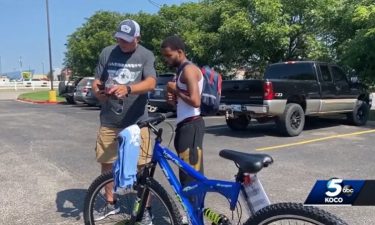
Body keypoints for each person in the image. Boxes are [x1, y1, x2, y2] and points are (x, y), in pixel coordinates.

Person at [91, 19, 156, 223]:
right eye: (119, 38)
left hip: (137, 122)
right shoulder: (107, 52)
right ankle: (110, 203)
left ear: (137, 38)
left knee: (142, 167)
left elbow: (151, 82)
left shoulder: (145, 55)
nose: (122, 43)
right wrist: (99, 92)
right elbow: (97, 80)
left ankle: (145, 209)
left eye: (127, 40)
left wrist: (128, 88)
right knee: (107, 163)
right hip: (110, 119)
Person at [161, 35, 205, 188]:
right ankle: (193, 210)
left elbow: (195, 101)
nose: (166, 59)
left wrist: (176, 90)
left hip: (192, 125)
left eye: (168, 55)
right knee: (185, 172)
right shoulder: (180, 72)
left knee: (191, 174)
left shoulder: (189, 70)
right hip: (184, 125)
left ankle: (195, 211)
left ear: (179, 52)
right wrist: (171, 98)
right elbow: (179, 103)